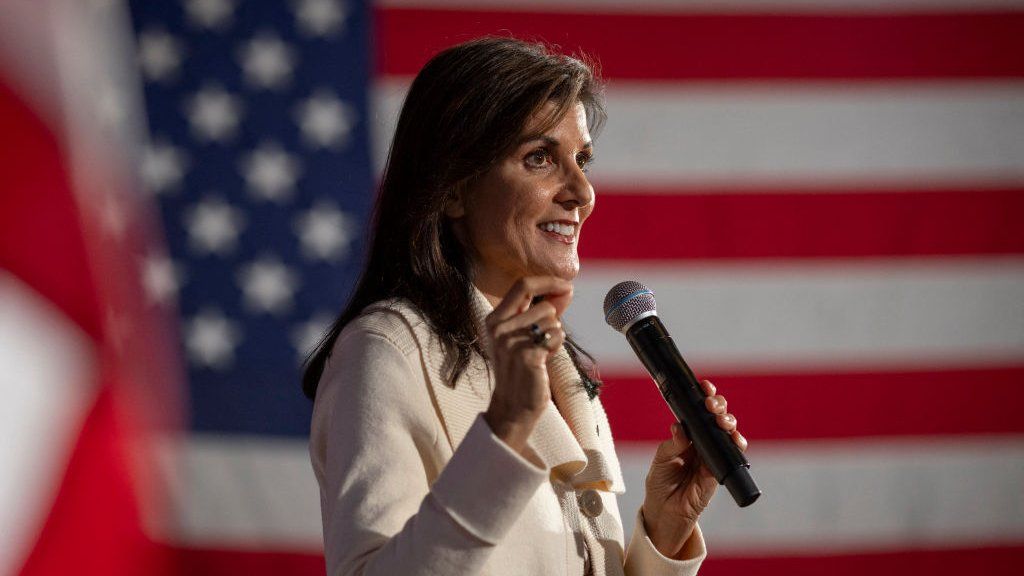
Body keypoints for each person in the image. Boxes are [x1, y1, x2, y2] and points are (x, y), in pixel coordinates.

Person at [303, 37, 748, 576]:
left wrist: (664, 531)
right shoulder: (387, 351)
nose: (582, 191)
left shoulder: (566, 371)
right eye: (540, 158)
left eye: (581, 159)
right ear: (454, 190)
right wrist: (506, 429)